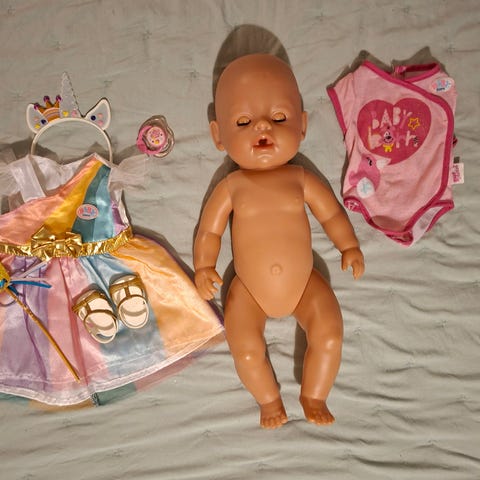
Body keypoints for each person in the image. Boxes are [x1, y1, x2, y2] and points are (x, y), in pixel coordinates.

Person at [194, 53, 365, 429]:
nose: (262, 127)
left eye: (279, 118)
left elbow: (331, 214)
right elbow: (209, 231)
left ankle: (314, 394)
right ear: (219, 136)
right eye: (243, 122)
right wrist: (204, 266)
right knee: (246, 351)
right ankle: (268, 400)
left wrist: (348, 246)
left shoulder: (300, 179)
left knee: (330, 335)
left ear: (301, 125)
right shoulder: (232, 186)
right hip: (248, 292)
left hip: (305, 284)